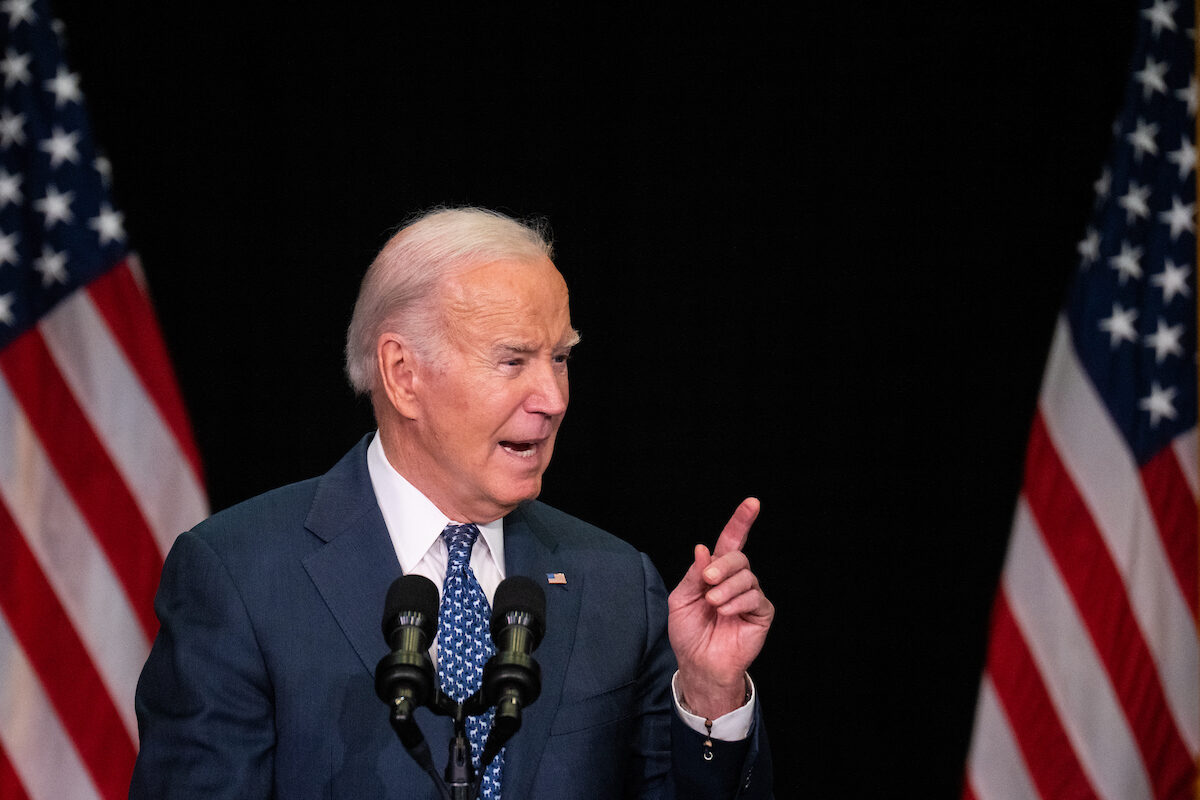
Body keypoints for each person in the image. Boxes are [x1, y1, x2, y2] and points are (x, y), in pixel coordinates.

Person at [130, 207, 775, 799]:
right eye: (513, 360)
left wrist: (710, 694)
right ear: (404, 375)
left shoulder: (616, 584)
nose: (552, 397)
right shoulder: (242, 577)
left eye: (560, 358)